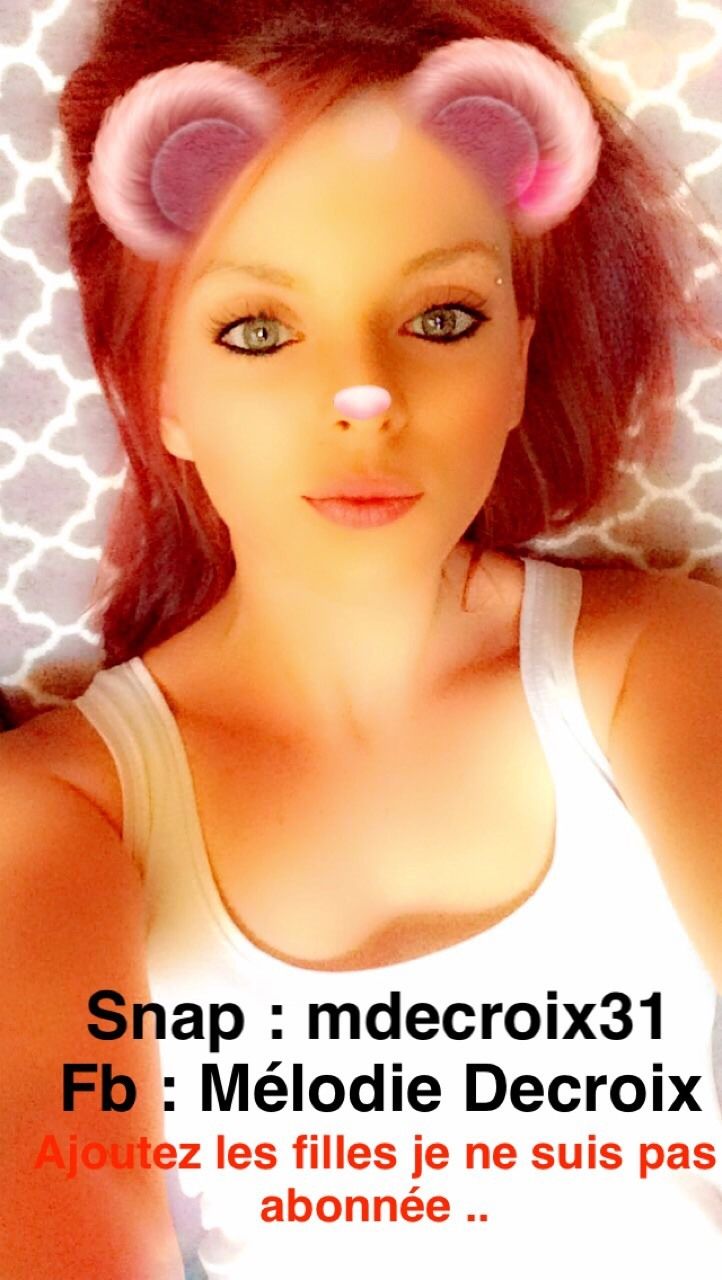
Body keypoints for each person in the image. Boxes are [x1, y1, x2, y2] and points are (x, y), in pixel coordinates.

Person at [2, 1, 722, 1276]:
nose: (365, 399)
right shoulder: (61, 806)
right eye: (258, 329)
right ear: (157, 390)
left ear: (517, 362)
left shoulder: (658, 664)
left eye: (440, 316)